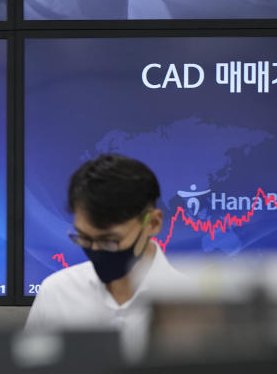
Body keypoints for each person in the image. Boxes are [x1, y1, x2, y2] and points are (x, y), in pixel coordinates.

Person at [25, 153, 186, 359]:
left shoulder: (190, 303)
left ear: (153, 223)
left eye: (110, 240)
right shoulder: (56, 292)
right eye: (83, 238)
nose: (95, 249)